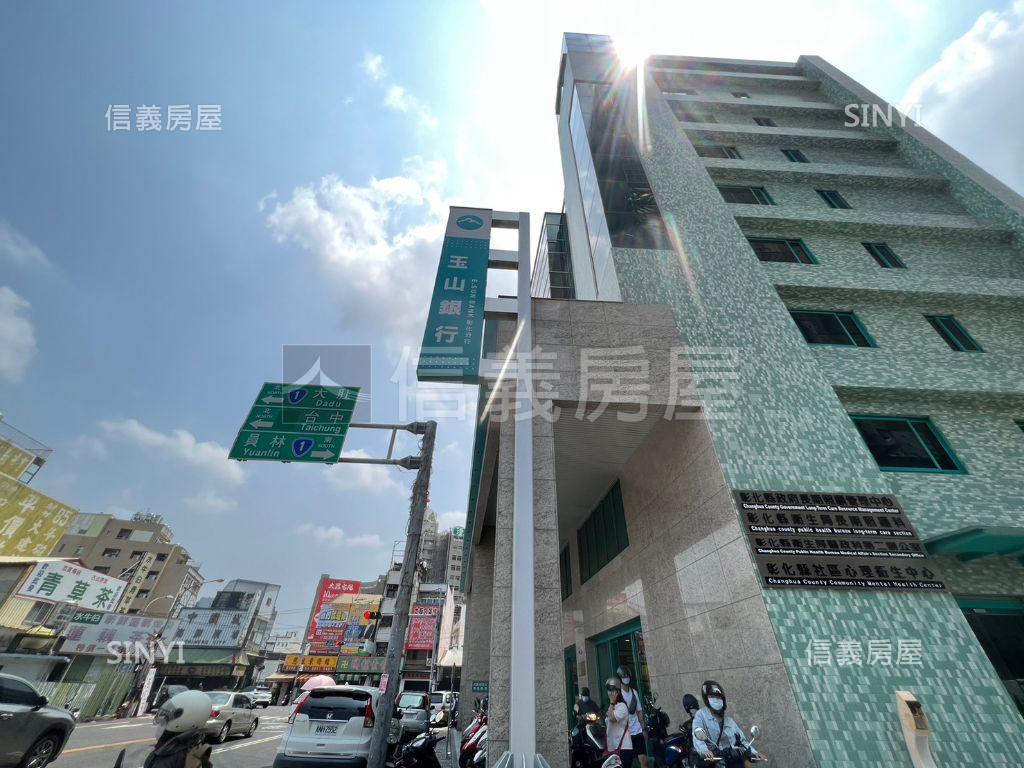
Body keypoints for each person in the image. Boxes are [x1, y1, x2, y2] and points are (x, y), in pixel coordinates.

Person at [689, 681, 763, 768]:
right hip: (713, 762)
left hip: (733, 761)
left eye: (718, 697)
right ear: (706, 699)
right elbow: (697, 735)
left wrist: (754, 753)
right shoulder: (701, 715)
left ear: (723, 700)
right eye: (712, 697)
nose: (716, 700)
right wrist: (705, 751)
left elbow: (742, 741)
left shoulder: (729, 721)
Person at [144, 690, 214, 768]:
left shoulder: (170, 756)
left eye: (166, 720)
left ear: (187, 718)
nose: (161, 724)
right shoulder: (191, 744)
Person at [616, 666, 646, 768]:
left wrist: (643, 728)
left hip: (637, 730)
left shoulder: (634, 692)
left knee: (643, 759)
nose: (626, 678)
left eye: (627, 676)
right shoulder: (618, 695)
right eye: (624, 676)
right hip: (625, 734)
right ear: (620, 678)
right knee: (627, 762)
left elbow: (639, 711)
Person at [605, 679, 634, 768]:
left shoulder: (622, 706)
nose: (610, 693)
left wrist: (611, 702)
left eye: (612, 690)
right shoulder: (614, 706)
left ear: (618, 691)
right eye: (608, 690)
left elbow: (612, 718)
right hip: (614, 747)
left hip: (624, 748)